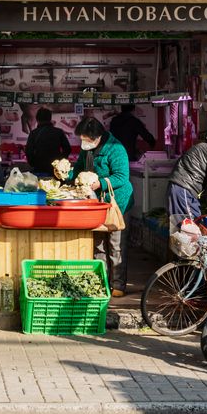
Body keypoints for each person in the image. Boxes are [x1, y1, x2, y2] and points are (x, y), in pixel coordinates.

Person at [76, 116, 133, 297]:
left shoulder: (116, 149)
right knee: (98, 244)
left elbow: (121, 177)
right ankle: (101, 282)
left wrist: (99, 183)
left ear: (98, 136)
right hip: (96, 204)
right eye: (82, 139)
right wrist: (68, 175)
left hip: (118, 204)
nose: (84, 143)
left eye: (87, 139)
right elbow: (78, 168)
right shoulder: (88, 149)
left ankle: (118, 285)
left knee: (116, 245)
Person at [24, 108, 71, 178]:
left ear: (37, 119)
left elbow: (29, 151)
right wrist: (60, 161)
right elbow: (67, 149)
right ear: (50, 118)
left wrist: (33, 163)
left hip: (39, 168)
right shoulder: (58, 132)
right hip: (55, 169)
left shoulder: (34, 133)